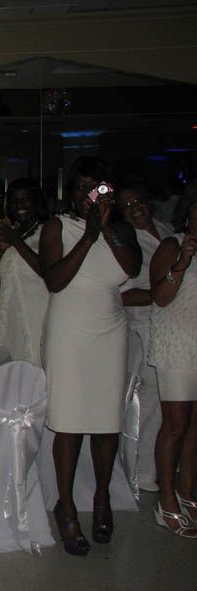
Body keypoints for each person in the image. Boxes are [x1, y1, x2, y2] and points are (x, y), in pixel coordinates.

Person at [40, 157, 141, 556]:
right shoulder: (57, 227)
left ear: (107, 192)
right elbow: (55, 280)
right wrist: (88, 236)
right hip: (68, 333)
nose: (86, 195)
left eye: (94, 188)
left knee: (105, 423)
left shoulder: (121, 229)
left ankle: (101, 497)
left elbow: (132, 267)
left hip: (110, 332)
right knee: (68, 423)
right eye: (80, 188)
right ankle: (65, 506)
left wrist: (107, 229)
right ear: (70, 193)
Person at [116, 183, 173, 493]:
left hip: (176, 329)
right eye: (127, 205)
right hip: (144, 328)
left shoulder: (167, 231)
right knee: (151, 403)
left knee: (172, 404)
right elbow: (122, 295)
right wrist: (165, 294)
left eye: (138, 200)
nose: (135, 207)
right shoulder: (127, 243)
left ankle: (167, 464)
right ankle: (143, 471)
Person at [148, 180, 197, 537]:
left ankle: (187, 492)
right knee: (176, 425)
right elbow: (160, 297)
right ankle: (165, 500)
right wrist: (182, 263)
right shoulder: (172, 245)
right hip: (176, 344)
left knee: (195, 428)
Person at [0, 178, 48, 365]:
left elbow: (47, 271)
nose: (20, 205)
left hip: (38, 319)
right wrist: (1, 247)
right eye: (15, 200)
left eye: (26, 199)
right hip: (9, 321)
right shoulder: (10, 231)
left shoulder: (48, 232)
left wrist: (16, 242)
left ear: (36, 201)